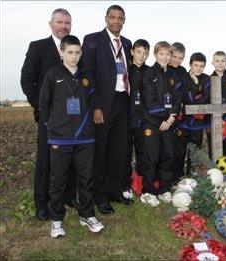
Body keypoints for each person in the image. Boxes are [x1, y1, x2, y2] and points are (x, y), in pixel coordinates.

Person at [39, 35, 104, 237]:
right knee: (58, 180)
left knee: (86, 178)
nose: (74, 57)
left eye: (77, 52)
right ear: (61, 52)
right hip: (60, 138)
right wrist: (54, 128)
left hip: (85, 137)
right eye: (70, 52)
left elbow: (94, 101)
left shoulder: (87, 76)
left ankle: (86, 214)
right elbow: (44, 105)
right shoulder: (52, 75)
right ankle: (57, 219)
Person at [20, 8, 77, 220]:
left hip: (73, 116)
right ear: (51, 24)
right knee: (46, 160)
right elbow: (27, 80)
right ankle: (42, 203)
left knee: (70, 157)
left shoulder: (74, 48)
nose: (64, 26)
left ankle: (69, 196)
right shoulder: (38, 47)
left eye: (67, 23)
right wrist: (41, 107)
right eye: (60, 22)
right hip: (49, 117)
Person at [81, 5, 133, 214]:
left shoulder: (128, 43)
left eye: (120, 18)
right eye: (112, 17)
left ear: (124, 20)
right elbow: (88, 74)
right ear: (106, 18)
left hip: (123, 101)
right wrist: (96, 106)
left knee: (118, 151)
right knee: (100, 151)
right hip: (103, 103)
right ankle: (99, 196)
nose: (116, 21)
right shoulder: (92, 40)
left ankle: (114, 191)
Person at [140, 41, 181, 207]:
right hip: (153, 122)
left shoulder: (173, 74)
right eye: (161, 54)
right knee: (152, 157)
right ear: (156, 55)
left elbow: (178, 97)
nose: (165, 57)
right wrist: (166, 117)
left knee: (168, 155)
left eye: (167, 54)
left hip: (169, 123)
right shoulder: (149, 74)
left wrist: (171, 118)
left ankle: (164, 188)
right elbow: (150, 101)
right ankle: (148, 191)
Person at [123, 39, 150, 200]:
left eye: (145, 53)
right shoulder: (125, 69)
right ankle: (125, 184)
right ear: (132, 51)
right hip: (126, 118)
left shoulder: (150, 71)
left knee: (143, 153)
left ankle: (139, 183)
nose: (141, 56)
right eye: (138, 52)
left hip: (143, 119)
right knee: (125, 153)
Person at [178, 52, 211, 174]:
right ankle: (179, 177)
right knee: (180, 152)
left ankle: (192, 176)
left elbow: (204, 100)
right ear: (190, 65)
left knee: (195, 152)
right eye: (196, 65)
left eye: (201, 66)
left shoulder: (206, 79)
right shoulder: (183, 77)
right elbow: (186, 98)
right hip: (183, 122)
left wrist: (197, 83)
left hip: (198, 123)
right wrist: (195, 85)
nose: (199, 68)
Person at [168, 42, 188, 179]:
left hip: (180, 116)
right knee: (168, 149)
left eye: (180, 58)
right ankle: (166, 177)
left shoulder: (183, 71)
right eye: (174, 56)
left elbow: (185, 91)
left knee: (180, 149)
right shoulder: (163, 69)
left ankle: (179, 176)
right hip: (166, 115)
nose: (177, 60)